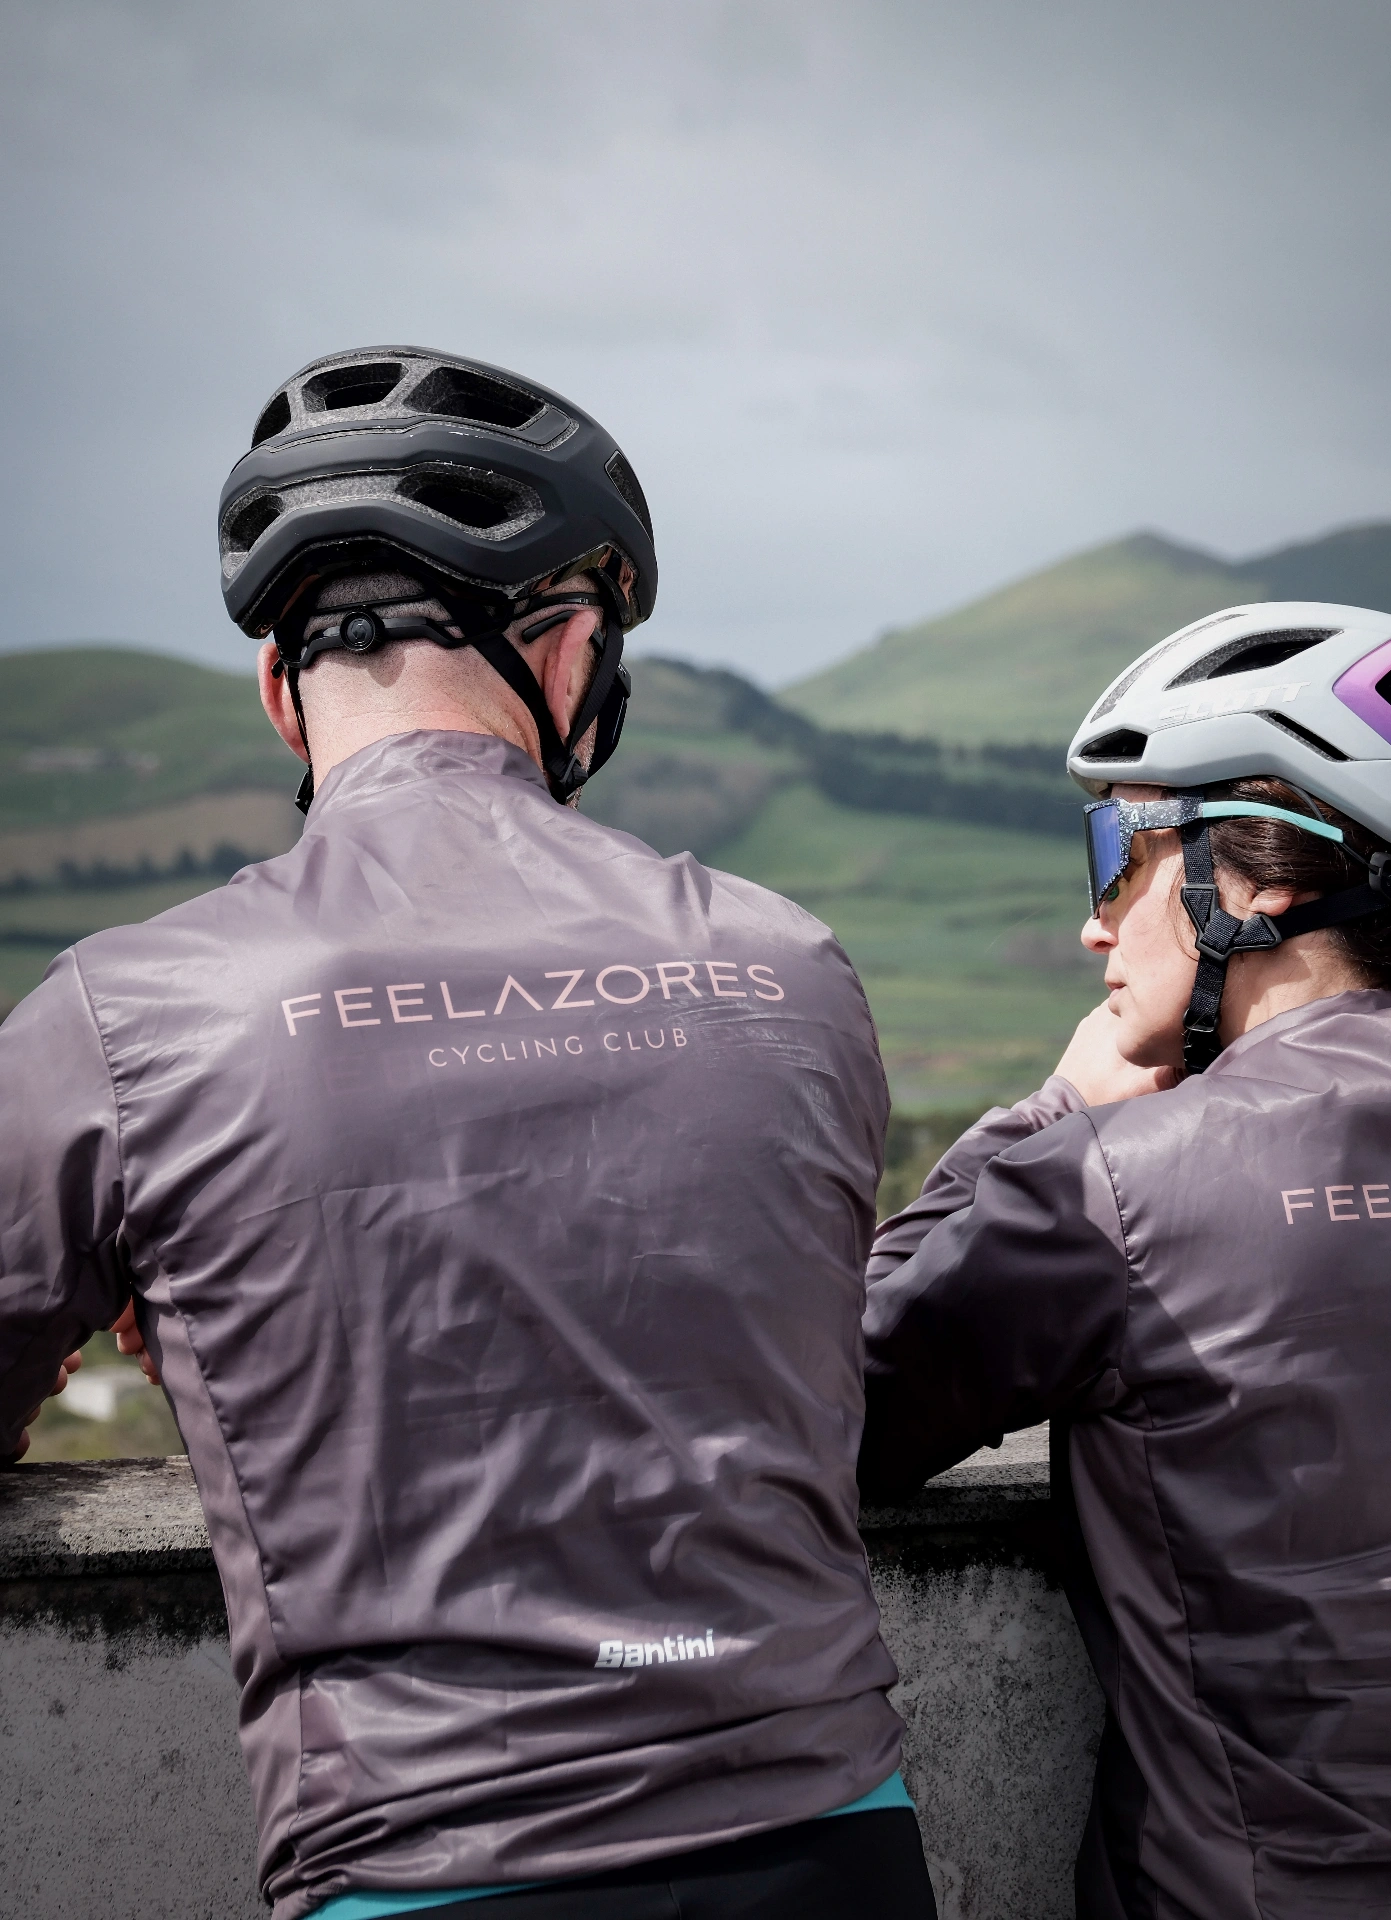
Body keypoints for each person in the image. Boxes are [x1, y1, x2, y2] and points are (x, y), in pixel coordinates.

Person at [0, 348, 936, 1920]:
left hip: (431, 1867)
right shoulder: (788, 963)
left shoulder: (123, 1012)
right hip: (833, 1838)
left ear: (276, 681)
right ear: (571, 658)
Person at [860, 602, 1391, 1918]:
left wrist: (1047, 1113)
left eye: (1115, 851)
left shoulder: (1114, 1185)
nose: (1094, 927)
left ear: (1257, 874)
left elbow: (832, 1407)